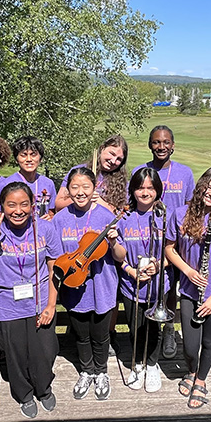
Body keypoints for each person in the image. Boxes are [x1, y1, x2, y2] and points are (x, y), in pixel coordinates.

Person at [0, 182, 60, 418]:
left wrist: (51, 304)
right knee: (15, 356)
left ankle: (43, 388)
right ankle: (23, 394)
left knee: (45, 352)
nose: (18, 210)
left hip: (39, 301)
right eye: (11, 205)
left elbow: (54, 267)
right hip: (6, 304)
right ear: (2, 207)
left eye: (24, 204)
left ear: (33, 206)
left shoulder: (45, 229)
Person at [165, 167, 211, 409]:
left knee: (208, 342)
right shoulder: (180, 214)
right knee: (189, 345)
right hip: (188, 289)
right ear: (201, 186)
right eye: (210, 187)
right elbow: (169, 249)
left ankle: (201, 380)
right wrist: (188, 271)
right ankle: (191, 369)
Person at [50, 167, 126, 401]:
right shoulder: (61, 218)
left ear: (94, 189)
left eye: (86, 187)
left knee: (101, 335)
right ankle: (86, 370)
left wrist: (113, 242)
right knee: (81, 335)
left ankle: (101, 372)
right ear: (68, 189)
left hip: (102, 287)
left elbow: (121, 256)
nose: (80, 192)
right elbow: (56, 255)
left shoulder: (105, 216)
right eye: (75, 187)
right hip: (74, 287)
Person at [133, 125, 195, 360]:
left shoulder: (185, 173)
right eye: (156, 142)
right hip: (147, 235)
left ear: (173, 145)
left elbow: (190, 205)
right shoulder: (141, 170)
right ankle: (148, 331)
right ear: (150, 145)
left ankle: (169, 328)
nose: (161, 146)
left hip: (175, 238)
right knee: (151, 281)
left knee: (171, 286)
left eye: (166, 142)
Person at [117, 167, 169, 392]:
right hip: (132, 283)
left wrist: (159, 265)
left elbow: (173, 250)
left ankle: (153, 364)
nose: (145, 192)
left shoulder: (165, 215)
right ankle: (137, 364)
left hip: (158, 283)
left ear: (157, 190)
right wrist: (131, 270)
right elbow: (117, 255)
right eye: (140, 188)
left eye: (150, 187)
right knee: (135, 327)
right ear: (133, 190)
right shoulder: (124, 217)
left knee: (154, 327)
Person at [54, 134, 129, 212]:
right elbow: (58, 205)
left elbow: (119, 216)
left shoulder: (123, 183)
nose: (113, 161)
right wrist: (83, 197)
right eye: (112, 154)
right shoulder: (78, 171)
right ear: (102, 149)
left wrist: (100, 201)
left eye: (119, 159)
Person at [4, 135, 57, 217]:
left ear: (40, 158)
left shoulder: (48, 183)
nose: (29, 159)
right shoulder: (6, 183)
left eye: (33, 154)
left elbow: (52, 211)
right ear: (16, 159)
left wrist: (50, 218)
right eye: (23, 155)